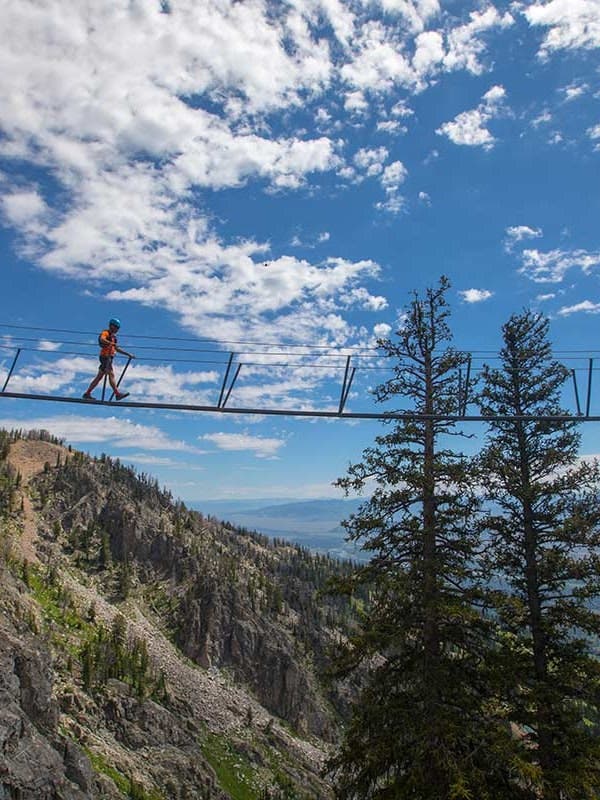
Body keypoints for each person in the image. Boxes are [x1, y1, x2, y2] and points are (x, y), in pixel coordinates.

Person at [82, 318, 135, 401]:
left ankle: (87, 393)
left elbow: (116, 348)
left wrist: (128, 354)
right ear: (111, 326)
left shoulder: (114, 337)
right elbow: (102, 339)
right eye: (116, 327)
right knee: (111, 374)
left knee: (99, 377)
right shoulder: (106, 333)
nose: (117, 329)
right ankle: (117, 394)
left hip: (109, 357)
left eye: (118, 328)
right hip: (105, 357)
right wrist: (110, 343)